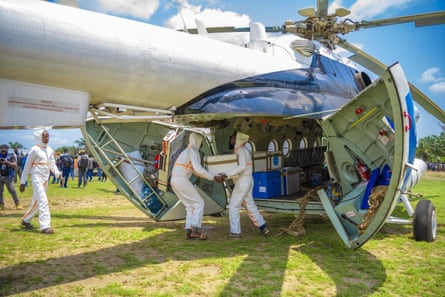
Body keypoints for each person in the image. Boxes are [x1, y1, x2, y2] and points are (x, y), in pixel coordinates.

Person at [170, 133, 223, 240]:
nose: (201, 145)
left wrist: (212, 177)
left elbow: (195, 171)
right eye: (201, 142)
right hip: (182, 180)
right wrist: (213, 177)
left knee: (190, 206)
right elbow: (198, 170)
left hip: (174, 180)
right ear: (197, 141)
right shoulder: (193, 151)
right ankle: (196, 230)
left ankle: (189, 231)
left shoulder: (186, 151)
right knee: (199, 203)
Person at [221, 132, 269, 238]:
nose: (231, 140)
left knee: (233, 206)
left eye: (232, 138)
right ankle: (262, 226)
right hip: (248, 180)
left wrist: (226, 174)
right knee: (250, 204)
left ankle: (235, 232)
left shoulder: (241, 151)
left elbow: (241, 167)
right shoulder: (244, 150)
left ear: (237, 139)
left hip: (242, 182)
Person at [19, 129, 61, 234]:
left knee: (37, 201)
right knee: (43, 200)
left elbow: (52, 164)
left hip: (45, 178)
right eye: (45, 135)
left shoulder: (50, 150)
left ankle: (26, 220)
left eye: (48, 135)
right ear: (39, 137)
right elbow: (27, 166)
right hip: (36, 176)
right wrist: (22, 181)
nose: (47, 137)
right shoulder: (34, 149)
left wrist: (57, 174)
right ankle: (45, 226)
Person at [0, 144, 23, 210]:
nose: (3, 151)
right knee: (0, 191)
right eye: (2, 150)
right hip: (0, 176)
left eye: (4, 150)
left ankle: (17, 204)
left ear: (7, 150)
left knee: (12, 191)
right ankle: (1, 204)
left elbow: (15, 165)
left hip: (9, 176)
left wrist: (7, 162)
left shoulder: (11, 155)